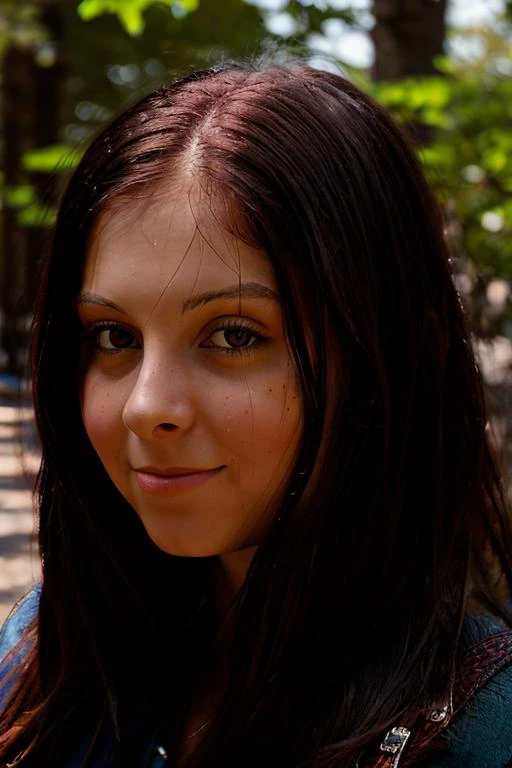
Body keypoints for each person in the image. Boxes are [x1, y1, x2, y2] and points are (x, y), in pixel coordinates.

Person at [1, 61, 512, 768]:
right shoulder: (44, 655)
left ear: (390, 361)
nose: (148, 407)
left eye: (235, 335)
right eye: (113, 337)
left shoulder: (483, 733)